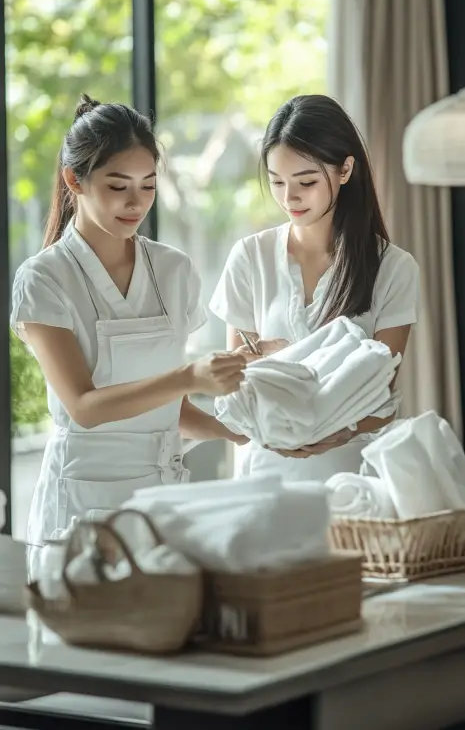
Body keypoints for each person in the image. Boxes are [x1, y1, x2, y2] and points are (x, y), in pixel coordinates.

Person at [10, 94, 247, 563]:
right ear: (74, 179)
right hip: (81, 509)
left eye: (149, 185)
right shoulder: (44, 279)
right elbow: (84, 407)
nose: (136, 203)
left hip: (164, 497)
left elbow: (170, 409)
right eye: (119, 186)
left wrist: (243, 433)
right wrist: (189, 377)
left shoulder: (174, 270)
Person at [210, 94, 420, 482]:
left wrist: (340, 431)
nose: (289, 198)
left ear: (345, 170)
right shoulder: (250, 257)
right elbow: (236, 386)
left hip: (350, 475)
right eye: (276, 182)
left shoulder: (393, 268)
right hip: (265, 472)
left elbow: (383, 396)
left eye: (306, 182)